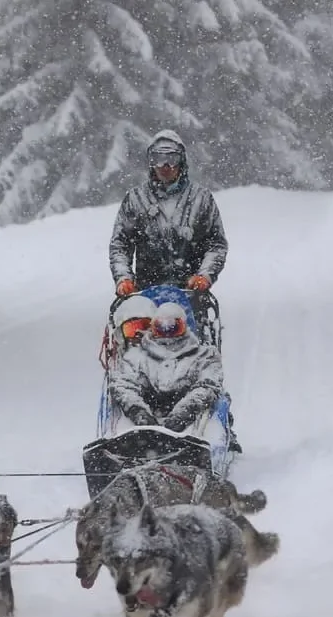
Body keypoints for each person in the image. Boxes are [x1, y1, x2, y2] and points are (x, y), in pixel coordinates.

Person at [107, 130, 228, 331]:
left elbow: (216, 244)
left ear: (182, 161)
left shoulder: (201, 199)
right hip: (145, 296)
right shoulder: (136, 200)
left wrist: (205, 276)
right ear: (150, 161)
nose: (165, 166)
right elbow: (120, 244)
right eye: (158, 158)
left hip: (191, 296)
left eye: (171, 158)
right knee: (132, 344)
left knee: (199, 350)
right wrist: (124, 279)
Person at [107, 300, 224, 436]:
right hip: (144, 418)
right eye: (160, 327)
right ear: (153, 328)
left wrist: (184, 412)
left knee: (216, 400)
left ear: (184, 326)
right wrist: (139, 413)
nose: (167, 331)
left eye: (173, 327)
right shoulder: (134, 357)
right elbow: (122, 384)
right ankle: (125, 437)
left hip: (190, 418)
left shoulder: (204, 355)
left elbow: (208, 384)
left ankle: (211, 437)